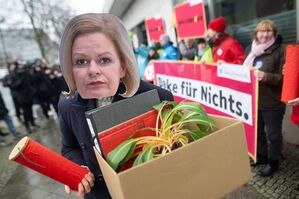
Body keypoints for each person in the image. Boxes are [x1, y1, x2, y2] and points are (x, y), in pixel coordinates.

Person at [58, 13, 174, 199]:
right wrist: (78, 169)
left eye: (104, 60)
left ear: (122, 65)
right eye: (81, 61)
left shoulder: (158, 98)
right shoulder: (67, 105)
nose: (93, 70)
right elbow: (69, 148)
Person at [244, 20, 285, 177]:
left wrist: (266, 76)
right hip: (253, 100)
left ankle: (273, 162)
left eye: (268, 31)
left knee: (273, 134)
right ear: (256, 33)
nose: (265, 34)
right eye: (262, 31)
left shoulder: (281, 50)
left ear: (274, 33)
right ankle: (261, 156)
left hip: (273, 101)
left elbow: (284, 79)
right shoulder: (250, 49)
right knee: (258, 132)